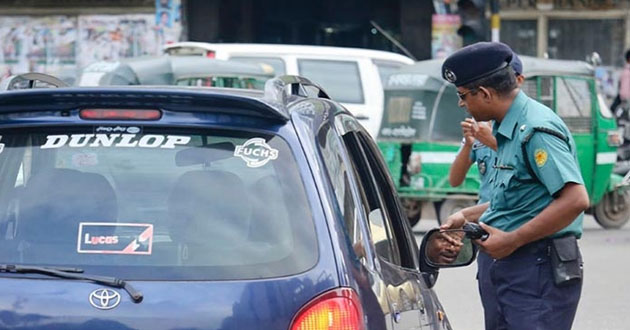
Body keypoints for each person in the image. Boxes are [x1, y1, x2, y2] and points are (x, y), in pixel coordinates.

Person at [440, 42, 589, 330]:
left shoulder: (535, 129)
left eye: (462, 96)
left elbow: (575, 199)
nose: (461, 104)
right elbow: (519, 196)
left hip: (536, 267)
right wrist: (467, 216)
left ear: (484, 93)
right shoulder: (504, 126)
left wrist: (513, 239)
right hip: (511, 266)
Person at [610, 49, 630, 116]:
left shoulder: (625, 71)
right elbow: (624, 91)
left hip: (623, 98)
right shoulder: (627, 72)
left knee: (612, 110)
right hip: (625, 99)